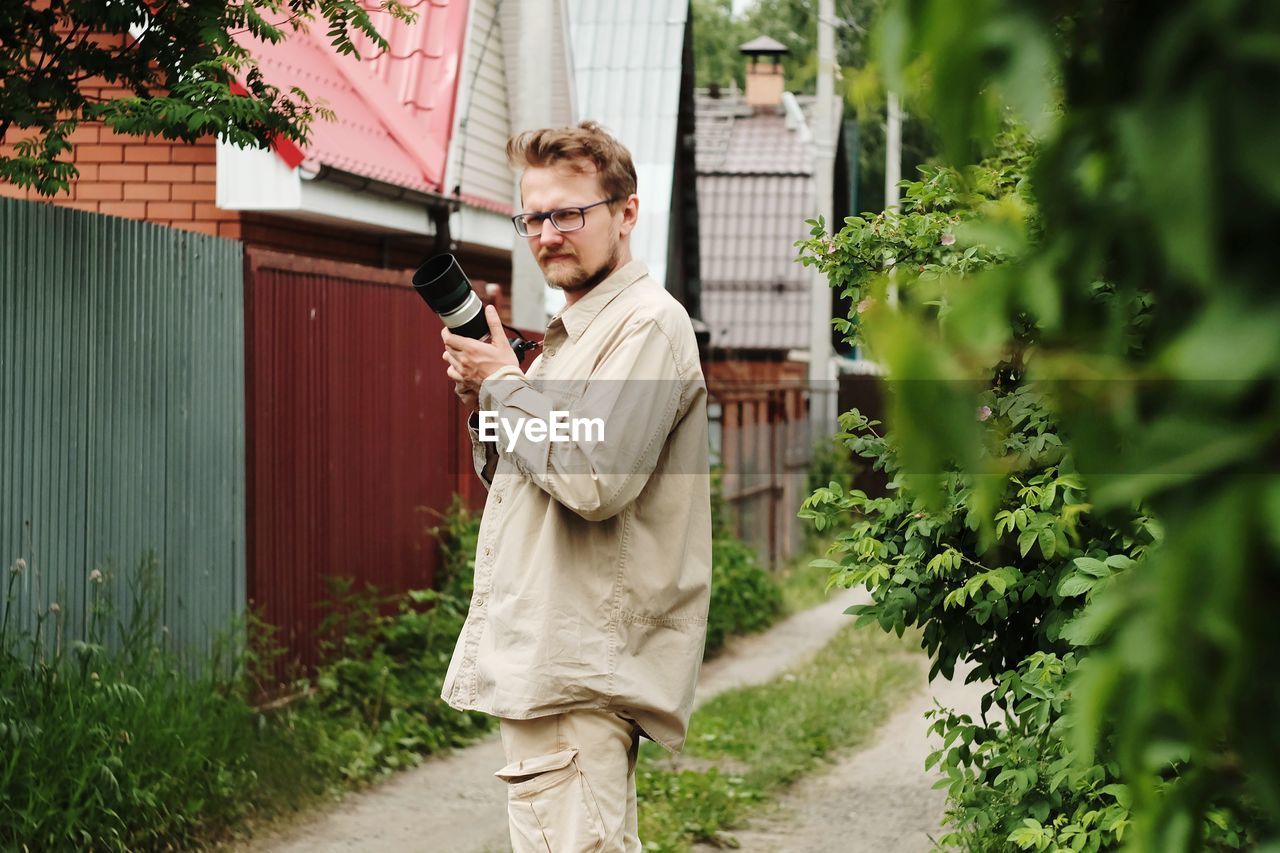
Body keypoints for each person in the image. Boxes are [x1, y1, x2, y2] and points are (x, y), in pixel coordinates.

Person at [439, 121, 711, 851]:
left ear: (626, 212)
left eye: (569, 213)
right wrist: (487, 400)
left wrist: (502, 382)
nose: (548, 233)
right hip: (559, 660)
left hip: (579, 664)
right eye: (534, 216)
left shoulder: (646, 326)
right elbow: (533, 474)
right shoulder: (577, 335)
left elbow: (595, 477)